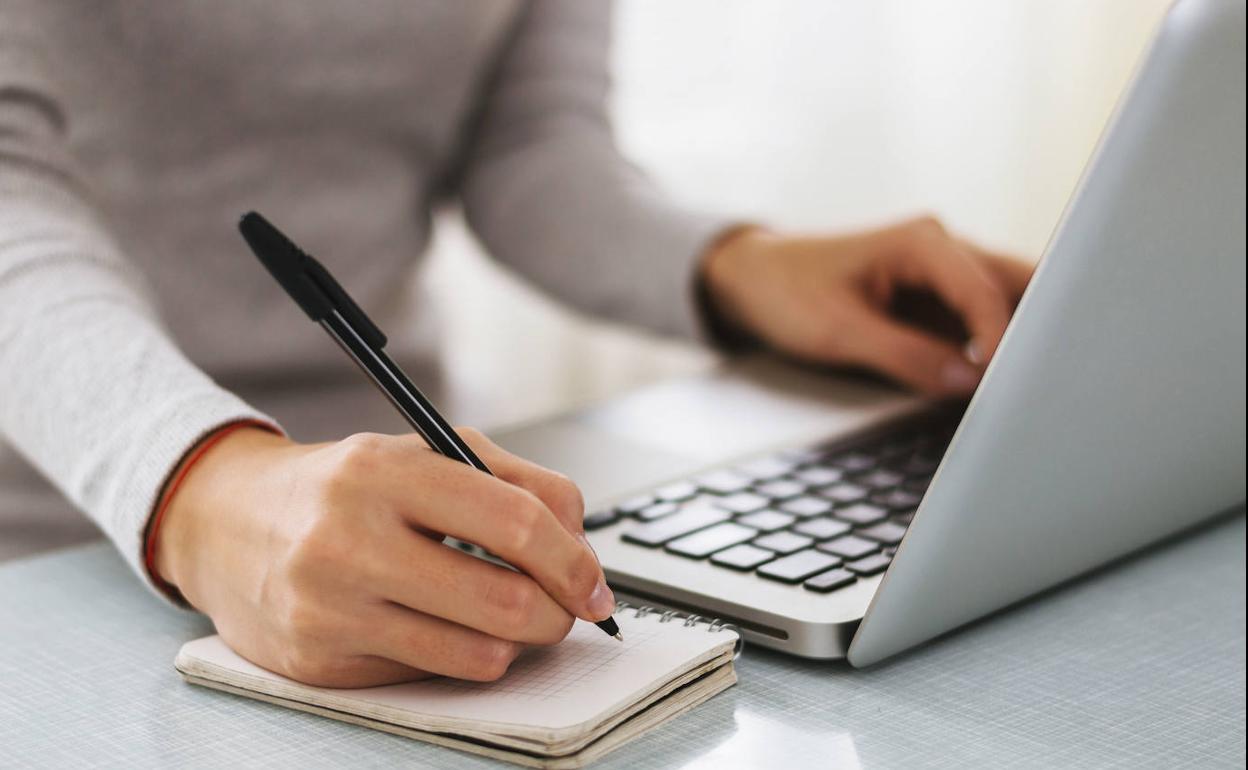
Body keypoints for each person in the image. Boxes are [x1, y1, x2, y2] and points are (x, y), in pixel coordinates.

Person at [0, 2, 1031, 687]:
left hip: (419, 514)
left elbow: (530, 145)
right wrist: (197, 486)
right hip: (60, 530)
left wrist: (740, 266)